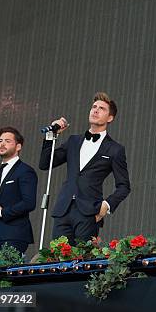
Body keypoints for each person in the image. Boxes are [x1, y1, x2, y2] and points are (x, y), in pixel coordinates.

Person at [39, 92, 130, 245]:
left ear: (110, 118)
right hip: (64, 209)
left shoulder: (115, 149)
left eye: (101, 108)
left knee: (82, 260)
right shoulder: (73, 141)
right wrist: (50, 135)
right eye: (94, 107)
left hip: (89, 211)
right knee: (59, 259)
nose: (95, 110)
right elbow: (45, 163)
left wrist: (106, 205)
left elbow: (124, 186)